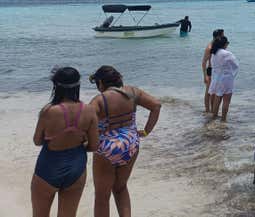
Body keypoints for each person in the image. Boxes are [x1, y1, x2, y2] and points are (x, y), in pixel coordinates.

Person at [89, 65, 162, 217]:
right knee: (120, 188)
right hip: (131, 143)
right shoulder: (133, 92)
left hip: (107, 147)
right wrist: (147, 131)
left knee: (102, 196)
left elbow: (86, 122)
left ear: (101, 83)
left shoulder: (99, 100)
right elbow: (156, 105)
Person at [32, 67, 99, 217]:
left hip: (49, 166)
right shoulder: (89, 110)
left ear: (56, 86)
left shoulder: (49, 111)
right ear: (78, 86)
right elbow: (95, 145)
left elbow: (37, 141)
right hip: (76, 166)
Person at [208, 35, 239, 121]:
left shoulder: (214, 53)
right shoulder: (226, 53)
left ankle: (214, 116)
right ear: (224, 44)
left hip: (216, 77)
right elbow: (236, 65)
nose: (228, 44)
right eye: (227, 43)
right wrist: (232, 74)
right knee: (226, 100)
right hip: (226, 78)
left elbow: (213, 65)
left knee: (217, 97)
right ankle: (223, 119)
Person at [202, 28, 224, 113]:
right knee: (208, 92)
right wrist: (205, 76)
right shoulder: (209, 47)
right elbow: (204, 62)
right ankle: (207, 110)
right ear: (218, 36)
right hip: (210, 71)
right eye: (222, 35)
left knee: (215, 92)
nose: (223, 36)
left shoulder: (218, 46)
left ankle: (213, 110)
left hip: (217, 71)